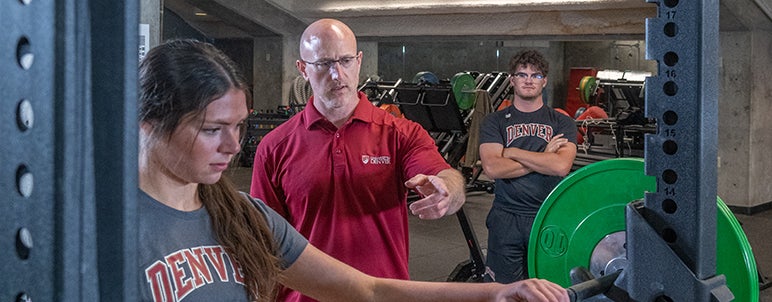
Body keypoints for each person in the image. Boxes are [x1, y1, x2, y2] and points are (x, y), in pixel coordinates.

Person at [137, 39, 569, 302]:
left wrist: (496, 292)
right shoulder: (104, 229)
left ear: (359, 62)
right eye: (214, 129)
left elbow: (369, 290)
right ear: (148, 122)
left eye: (238, 127)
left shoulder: (240, 214)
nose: (233, 147)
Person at [250, 18, 467, 301]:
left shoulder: (400, 134)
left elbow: (448, 178)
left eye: (345, 61)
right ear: (303, 69)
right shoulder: (275, 147)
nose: (338, 74)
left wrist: (447, 191)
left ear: (359, 61)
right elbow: (263, 241)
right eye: (324, 63)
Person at [478, 50, 578, 284]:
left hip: (548, 216)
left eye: (536, 75)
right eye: (522, 74)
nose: (529, 80)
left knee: (548, 289)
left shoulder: (562, 122)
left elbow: (561, 166)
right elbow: (492, 168)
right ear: (512, 80)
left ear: (544, 81)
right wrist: (543, 156)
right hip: (506, 217)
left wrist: (512, 152)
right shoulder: (495, 122)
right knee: (503, 291)